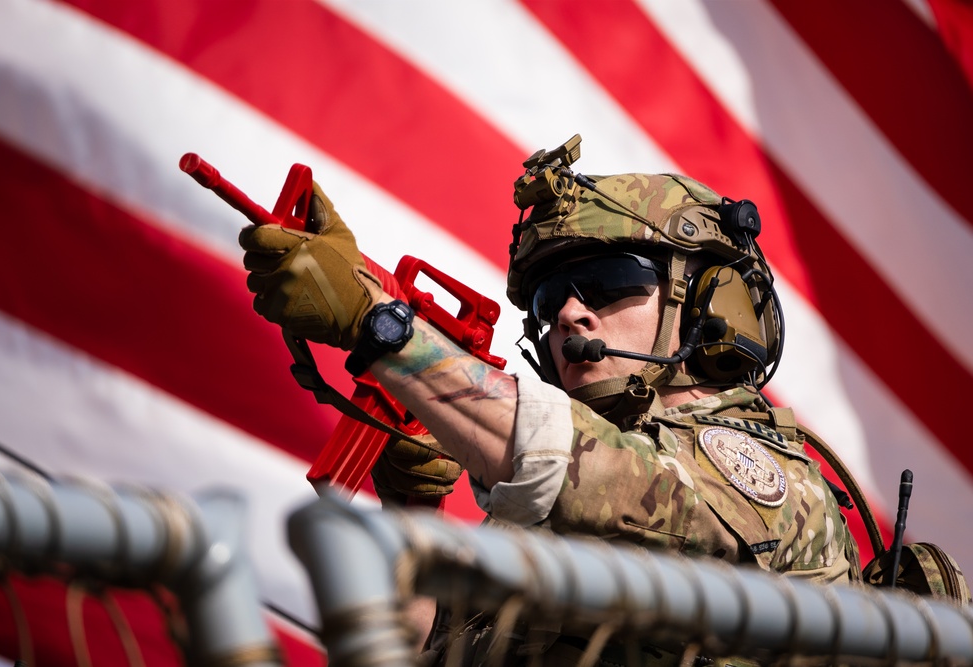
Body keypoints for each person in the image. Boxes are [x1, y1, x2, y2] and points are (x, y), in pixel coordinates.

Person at [239, 135, 859, 664]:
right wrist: (414, 508)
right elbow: (414, 645)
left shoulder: (771, 480)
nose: (568, 313)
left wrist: (381, 325)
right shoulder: (540, 505)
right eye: (548, 300)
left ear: (707, 302)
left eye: (610, 281)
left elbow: (591, 471)